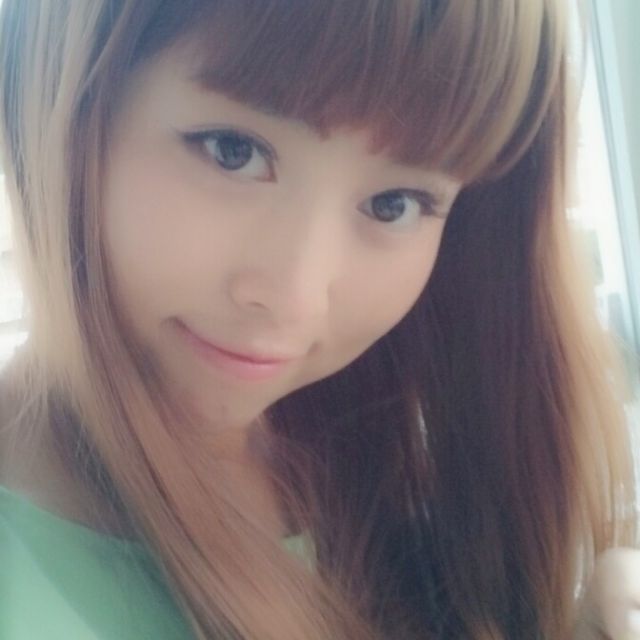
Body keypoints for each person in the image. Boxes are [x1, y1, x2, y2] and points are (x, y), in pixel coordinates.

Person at [0, 1, 638, 638]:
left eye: (394, 204)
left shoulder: (399, 466)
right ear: (65, 98)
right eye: (233, 151)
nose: (296, 298)